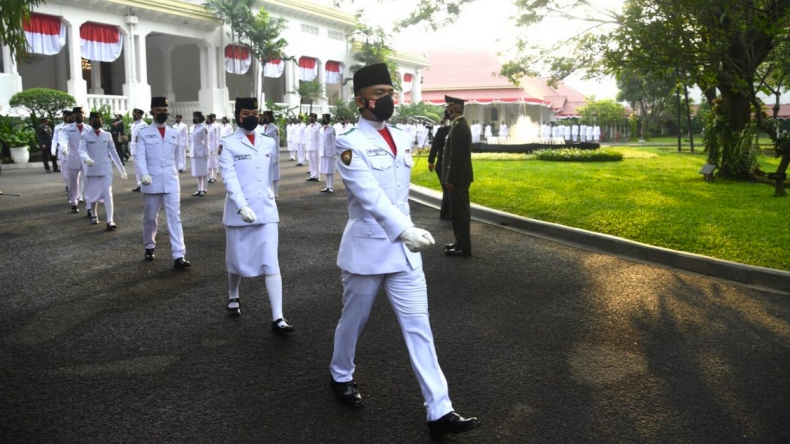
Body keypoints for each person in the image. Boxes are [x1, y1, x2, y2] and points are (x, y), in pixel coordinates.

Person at [328, 63, 479, 439]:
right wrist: (405, 230)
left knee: (419, 327)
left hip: (405, 253)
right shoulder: (349, 141)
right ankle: (340, 373)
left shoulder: (399, 135)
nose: (387, 99)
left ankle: (439, 410)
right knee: (354, 320)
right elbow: (370, 196)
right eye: (379, 93)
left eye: (389, 92)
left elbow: (398, 193)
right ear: (361, 100)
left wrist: (407, 233)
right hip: (369, 248)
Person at [218, 97, 293, 333]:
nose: (251, 116)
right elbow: (229, 178)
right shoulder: (228, 143)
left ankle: (278, 318)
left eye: (255, 111)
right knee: (236, 260)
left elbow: (272, 172)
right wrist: (241, 206)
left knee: (271, 261)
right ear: (237, 115)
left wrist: (273, 194)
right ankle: (233, 293)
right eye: (246, 112)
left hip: (266, 209)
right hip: (239, 211)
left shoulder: (269, 142)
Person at [134, 97, 191, 269]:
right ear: (152, 112)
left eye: (164, 110)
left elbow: (176, 157)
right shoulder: (143, 133)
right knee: (150, 217)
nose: (162, 113)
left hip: (171, 179)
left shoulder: (174, 132)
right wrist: (143, 174)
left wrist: (178, 169)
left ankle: (179, 255)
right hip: (151, 179)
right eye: (158, 110)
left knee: (175, 217)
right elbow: (139, 157)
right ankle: (149, 245)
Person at [78, 111, 127, 229]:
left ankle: (110, 221)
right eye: (95, 120)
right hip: (92, 169)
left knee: (108, 194)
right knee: (92, 194)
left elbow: (113, 153)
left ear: (102, 121)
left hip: (106, 169)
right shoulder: (85, 135)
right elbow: (81, 150)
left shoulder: (107, 135)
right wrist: (86, 158)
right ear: (90, 121)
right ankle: (94, 213)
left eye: (99, 120)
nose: (97, 122)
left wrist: (122, 169)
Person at [442, 95, 474, 257]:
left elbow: (456, 157)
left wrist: (450, 179)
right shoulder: (458, 125)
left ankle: (462, 246)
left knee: (460, 212)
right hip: (460, 177)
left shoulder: (459, 127)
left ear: (456, 109)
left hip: (458, 178)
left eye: (449, 107)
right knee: (457, 212)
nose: (447, 110)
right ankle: (459, 242)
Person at [59, 106, 89, 214]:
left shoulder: (89, 129)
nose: (78, 116)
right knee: (73, 183)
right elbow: (63, 140)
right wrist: (64, 148)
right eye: (76, 115)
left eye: (80, 114)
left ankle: (89, 205)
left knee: (87, 182)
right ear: (73, 116)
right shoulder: (67, 129)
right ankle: (73, 203)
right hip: (73, 158)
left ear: (84, 115)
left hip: (86, 159)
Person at [428, 117, 451, 220]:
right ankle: (447, 213)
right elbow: (435, 145)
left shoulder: (455, 129)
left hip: (448, 165)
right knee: (447, 190)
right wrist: (431, 160)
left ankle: (446, 213)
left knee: (447, 190)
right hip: (442, 165)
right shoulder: (442, 131)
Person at [258, 111, 281, 197]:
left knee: (275, 174)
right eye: (264, 116)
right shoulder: (261, 128)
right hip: (264, 154)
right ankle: (268, 192)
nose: (265, 118)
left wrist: (277, 157)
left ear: (271, 118)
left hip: (272, 154)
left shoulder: (274, 128)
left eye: (267, 116)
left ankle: (275, 193)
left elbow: (276, 144)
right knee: (266, 174)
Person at [51, 110, 71, 193]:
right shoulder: (58, 127)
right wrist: (53, 148)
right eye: (65, 116)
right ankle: (67, 184)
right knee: (64, 170)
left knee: (74, 170)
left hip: (73, 150)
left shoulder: (74, 127)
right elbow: (55, 139)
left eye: (68, 116)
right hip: (62, 151)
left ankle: (74, 185)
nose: (66, 117)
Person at [129, 109, 148, 192]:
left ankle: (144, 184)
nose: (136, 115)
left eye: (138, 114)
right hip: (133, 148)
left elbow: (143, 136)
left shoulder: (143, 124)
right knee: (136, 168)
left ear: (141, 115)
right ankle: (139, 184)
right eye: (135, 114)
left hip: (140, 149)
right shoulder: (134, 124)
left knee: (141, 167)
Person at [190, 111, 209, 196]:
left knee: (203, 172)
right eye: (194, 116)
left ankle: (204, 189)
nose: (194, 118)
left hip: (201, 152)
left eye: (196, 117)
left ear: (200, 118)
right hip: (194, 153)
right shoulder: (192, 128)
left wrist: (206, 153)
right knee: (197, 172)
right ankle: (199, 189)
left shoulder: (203, 128)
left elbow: (206, 142)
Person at [318, 113, 336, 193]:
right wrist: (319, 151)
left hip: (330, 152)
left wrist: (335, 153)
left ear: (328, 120)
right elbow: (320, 141)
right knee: (325, 170)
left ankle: (331, 186)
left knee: (330, 170)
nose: (324, 120)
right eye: (323, 118)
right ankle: (327, 186)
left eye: (325, 119)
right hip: (323, 152)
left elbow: (334, 142)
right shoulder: (321, 129)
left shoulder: (332, 129)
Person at [304, 113, 321, 182]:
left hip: (315, 146)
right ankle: (312, 175)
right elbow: (306, 137)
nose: (311, 118)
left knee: (316, 162)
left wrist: (320, 148)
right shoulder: (308, 126)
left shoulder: (319, 126)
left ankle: (317, 176)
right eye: (310, 117)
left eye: (312, 117)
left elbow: (320, 138)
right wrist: (306, 146)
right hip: (309, 146)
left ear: (316, 118)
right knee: (311, 162)